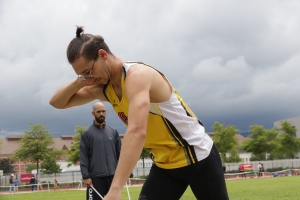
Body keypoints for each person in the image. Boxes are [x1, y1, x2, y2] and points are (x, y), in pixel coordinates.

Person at [49, 26, 229, 200]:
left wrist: (115, 190)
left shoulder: (137, 76)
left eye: (89, 72)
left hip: (197, 156)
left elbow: (137, 131)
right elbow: (57, 102)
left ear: (103, 55)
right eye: (83, 75)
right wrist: (80, 80)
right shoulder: (105, 88)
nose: (89, 79)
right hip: (165, 164)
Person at [80, 102, 122, 200]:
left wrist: (124, 173)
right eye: (98, 111)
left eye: (103, 111)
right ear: (93, 113)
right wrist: (86, 176)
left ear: (106, 112)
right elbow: (84, 156)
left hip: (113, 176)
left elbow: (119, 154)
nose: (101, 114)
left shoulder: (113, 132)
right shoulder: (87, 133)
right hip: (95, 178)